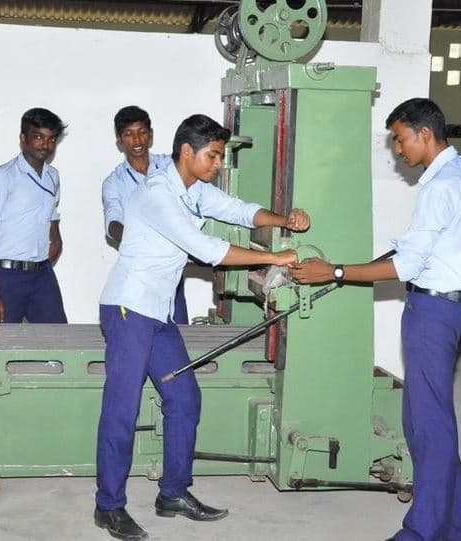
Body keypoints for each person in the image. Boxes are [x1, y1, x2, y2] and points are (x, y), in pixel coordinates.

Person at [289, 98, 461, 541]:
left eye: (399, 138)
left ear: (424, 134)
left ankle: (421, 530)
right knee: (421, 420)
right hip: (453, 309)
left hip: (432, 311)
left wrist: (333, 271)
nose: (397, 149)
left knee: (429, 424)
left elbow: (405, 267)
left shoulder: (438, 186)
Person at [94, 114, 310, 541]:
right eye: (212, 156)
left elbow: (239, 211)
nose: (216, 164)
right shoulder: (158, 195)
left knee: (184, 396)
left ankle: (172, 493)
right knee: (122, 409)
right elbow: (208, 249)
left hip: (157, 314)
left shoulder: (192, 190)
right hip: (128, 310)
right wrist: (273, 259)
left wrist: (284, 220)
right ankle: (108, 506)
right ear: (187, 153)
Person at [0, 107, 69, 324]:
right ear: (23, 138)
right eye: (38, 137)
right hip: (7, 277)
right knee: (2, 344)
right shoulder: (2, 177)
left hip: (42, 274)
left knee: (58, 341)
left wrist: (56, 238)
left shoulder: (53, 176)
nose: (45, 145)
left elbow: (51, 212)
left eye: (51, 139)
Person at [101, 105, 189, 324]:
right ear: (119, 140)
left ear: (151, 135)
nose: (137, 140)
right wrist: (140, 239)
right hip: (139, 276)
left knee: (179, 334)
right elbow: (113, 224)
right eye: (129, 134)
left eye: (141, 132)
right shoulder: (114, 182)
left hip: (172, 271)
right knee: (141, 336)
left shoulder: (172, 166)